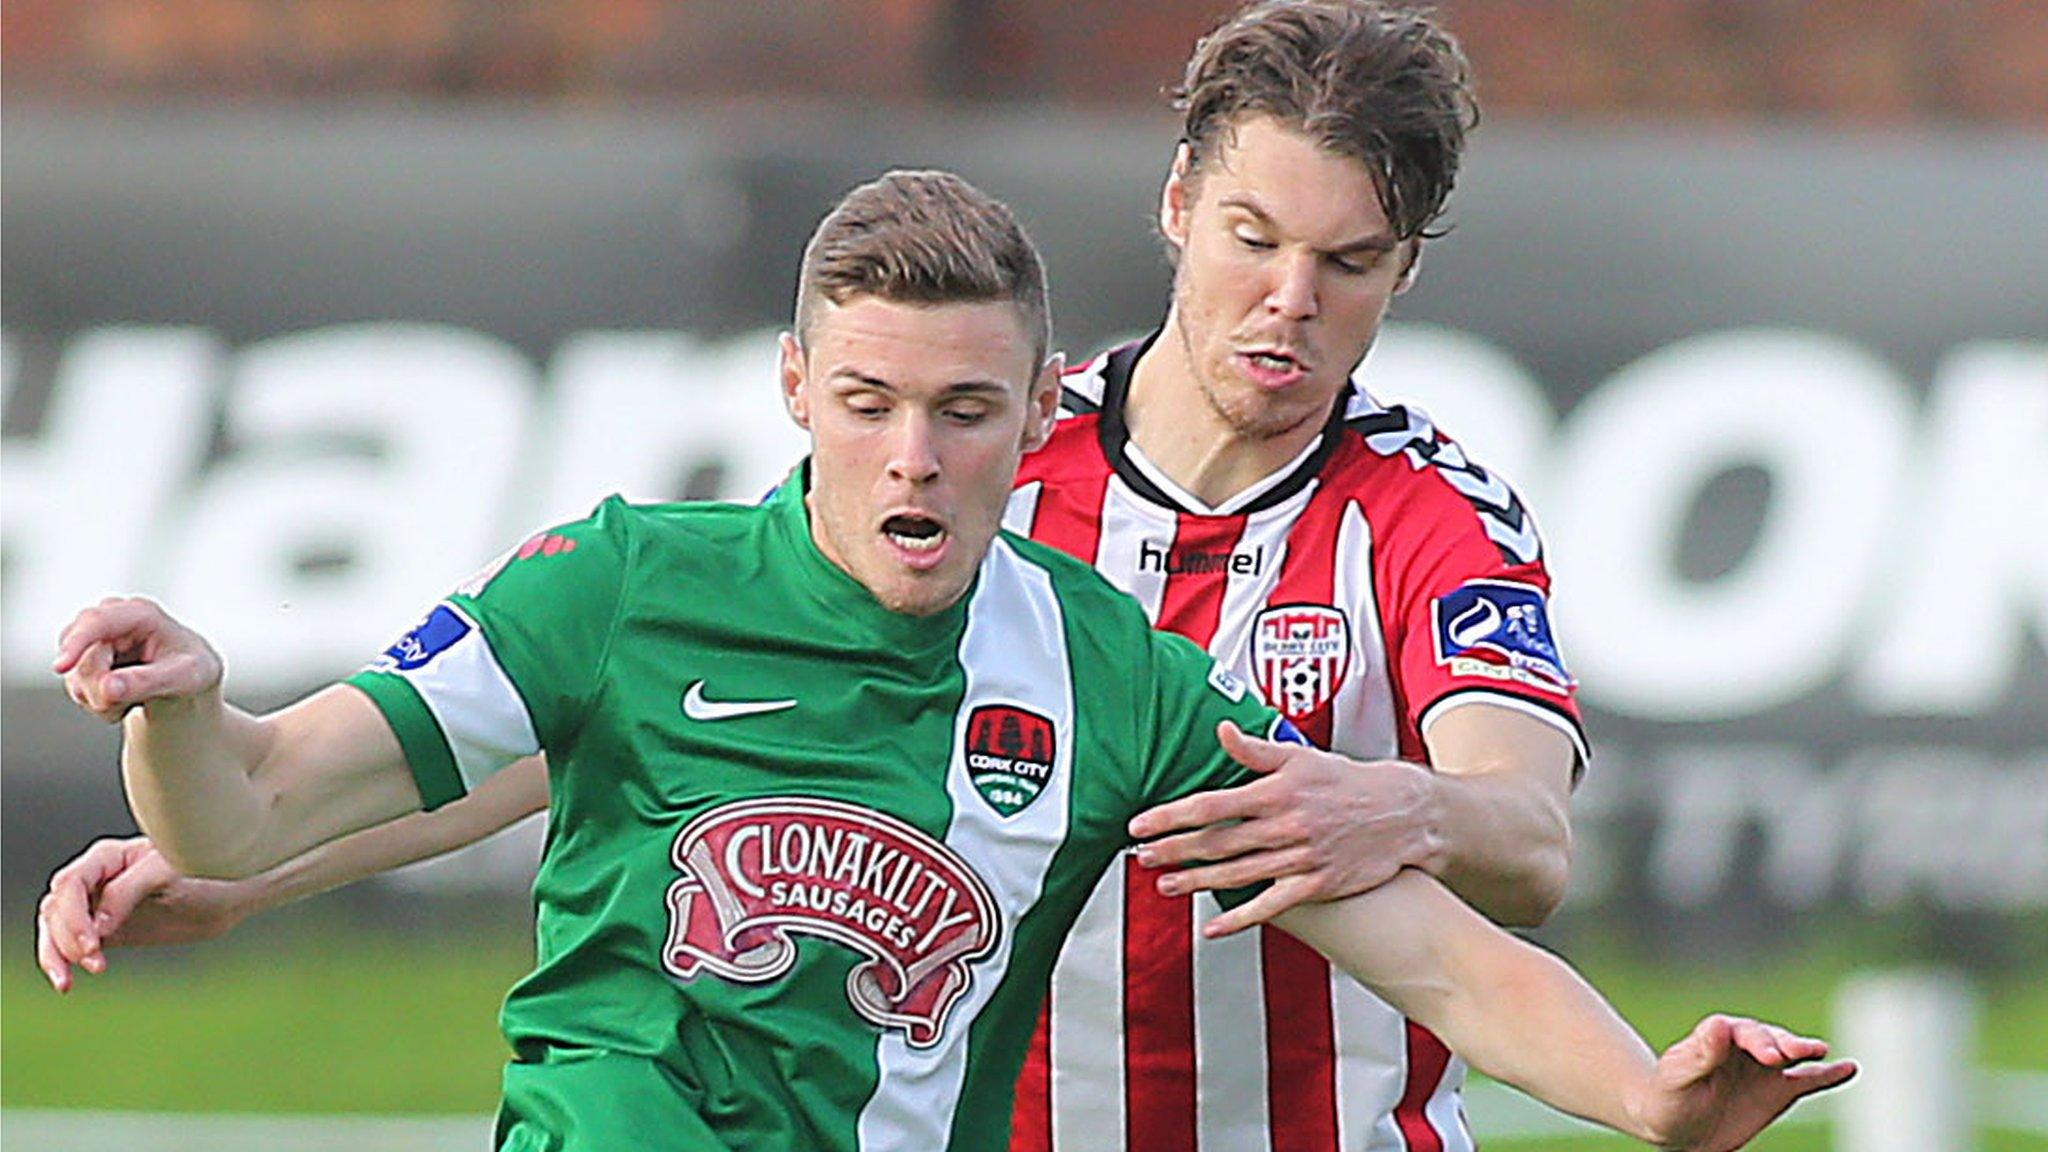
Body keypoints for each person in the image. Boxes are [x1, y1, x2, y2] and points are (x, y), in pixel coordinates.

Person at [47, 169, 1850, 1151]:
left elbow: (1445, 956)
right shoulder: (619, 583)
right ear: (795, 398)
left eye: (965, 411)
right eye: (871, 406)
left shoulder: (1106, 674)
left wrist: (1650, 1097)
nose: (914, 456)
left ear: (1030, 417)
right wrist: (191, 713)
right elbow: (259, 804)